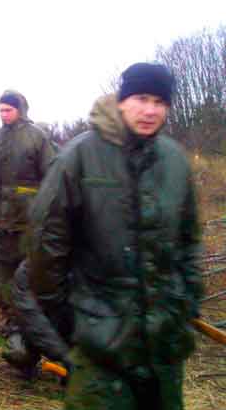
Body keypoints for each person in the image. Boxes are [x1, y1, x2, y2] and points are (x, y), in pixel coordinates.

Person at [28, 63, 203, 409]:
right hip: (100, 346)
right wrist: (69, 318)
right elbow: (46, 245)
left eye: (159, 102)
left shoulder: (174, 161)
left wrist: (185, 301)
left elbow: (188, 240)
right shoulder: (80, 156)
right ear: (122, 101)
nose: (150, 110)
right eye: (141, 98)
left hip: (163, 343)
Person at [0, 90, 55, 326]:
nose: (4, 114)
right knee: (2, 266)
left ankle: (33, 317)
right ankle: (10, 318)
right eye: (1, 110)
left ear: (20, 109)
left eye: (8, 110)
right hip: (1, 217)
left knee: (31, 267)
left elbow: (51, 176)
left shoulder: (37, 137)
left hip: (30, 217)